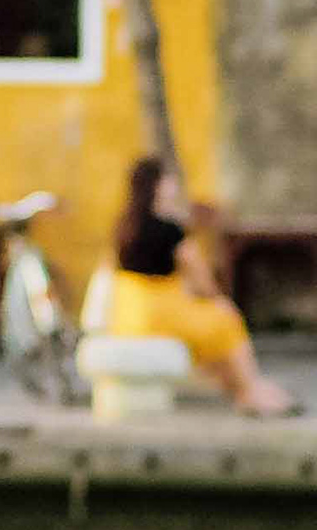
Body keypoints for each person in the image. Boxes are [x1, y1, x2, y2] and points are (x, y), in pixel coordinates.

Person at [102, 158, 298, 416]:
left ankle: (246, 391)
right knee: (225, 318)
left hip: (127, 317)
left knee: (213, 330)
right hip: (162, 315)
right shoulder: (169, 230)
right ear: (158, 186)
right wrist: (215, 296)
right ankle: (250, 389)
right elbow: (202, 280)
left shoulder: (123, 226)